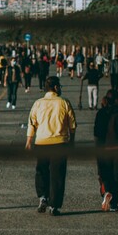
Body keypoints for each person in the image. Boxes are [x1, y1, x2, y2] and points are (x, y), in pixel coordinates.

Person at [25, 76, 77, 216]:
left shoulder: (38, 103)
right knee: (58, 175)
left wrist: (29, 140)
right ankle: (54, 206)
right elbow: (72, 124)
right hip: (60, 143)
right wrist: (71, 141)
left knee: (41, 170)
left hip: (41, 142)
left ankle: (43, 197)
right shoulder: (64, 102)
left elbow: (32, 122)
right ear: (55, 87)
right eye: (59, 86)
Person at [94, 90, 118, 212]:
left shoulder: (100, 113)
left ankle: (106, 193)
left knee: (105, 175)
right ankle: (114, 203)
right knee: (117, 177)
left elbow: (97, 134)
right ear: (116, 99)